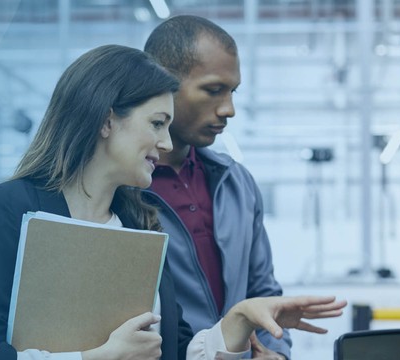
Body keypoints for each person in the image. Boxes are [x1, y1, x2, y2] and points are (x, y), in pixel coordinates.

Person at [0, 44, 346, 360]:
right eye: (157, 124)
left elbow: (177, 350)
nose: (167, 143)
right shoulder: (7, 210)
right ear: (106, 120)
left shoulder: (140, 225)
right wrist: (94, 358)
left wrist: (239, 319)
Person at [143, 15, 293, 359]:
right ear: (160, 83)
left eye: (232, 91)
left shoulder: (237, 182)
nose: (229, 109)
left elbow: (263, 290)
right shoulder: (123, 191)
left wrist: (277, 353)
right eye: (213, 90)